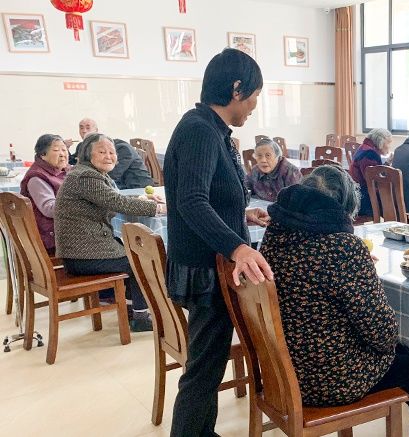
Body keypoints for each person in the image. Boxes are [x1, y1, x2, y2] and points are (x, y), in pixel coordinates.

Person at [261, 165, 409, 437]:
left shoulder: (275, 234)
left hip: (283, 370)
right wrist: (359, 268)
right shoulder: (341, 247)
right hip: (327, 380)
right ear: (343, 206)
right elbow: (382, 333)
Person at [164, 48, 273, 437]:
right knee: (203, 369)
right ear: (237, 88)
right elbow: (190, 200)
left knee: (206, 366)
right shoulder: (199, 130)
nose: (254, 106)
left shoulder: (211, 128)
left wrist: (241, 214)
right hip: (206, 268)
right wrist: (239, 247)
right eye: (255, 95)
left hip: (211, 260)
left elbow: (206, 193)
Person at [54, 133, 167, 332]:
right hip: (82, 255)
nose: (109, 156)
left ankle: (134, 310)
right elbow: (117, 202)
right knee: (140, 260)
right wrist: (159, 209)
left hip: (80, 251)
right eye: (102, 151)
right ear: (88, 154)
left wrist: (143, 202)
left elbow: (113, 199)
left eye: (112, 152)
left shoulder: (90, 174)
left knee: (134, 253)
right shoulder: (86, 176)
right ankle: (141, 318)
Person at [67, 117, 153, 189]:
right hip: (113, 185)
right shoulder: (82, 146)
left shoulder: (122, 148)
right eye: (81, 128)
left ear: (97, 131)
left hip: (135, 187)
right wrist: (65, 149)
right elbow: (72, 163)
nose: (84, 131)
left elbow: (112, 174)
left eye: (88, 127)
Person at [19, 134, 70, 253]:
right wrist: (78, 203)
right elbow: (49, 209)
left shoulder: (65, 170)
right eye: (56, 150)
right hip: (52, 240)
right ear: (42, 155)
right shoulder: (37, 177)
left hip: (64, 234)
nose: (63, 154)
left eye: (64, 149)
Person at [348, 128, 392, 217]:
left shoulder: (364, 148)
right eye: (388, 143)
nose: (389, 146)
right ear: (381, 141)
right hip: (364, 200)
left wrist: (387, 163)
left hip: (358, 195)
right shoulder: (370, 153)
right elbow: (374, 181)